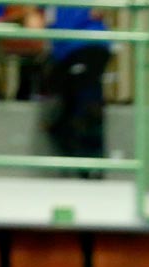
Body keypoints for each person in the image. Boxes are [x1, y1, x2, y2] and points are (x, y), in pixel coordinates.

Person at [41, 2, 110, 172]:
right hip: (61, 54)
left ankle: (91, 162)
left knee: (87, 99)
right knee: (70, 102)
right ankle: (80, 158)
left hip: (89, 44)